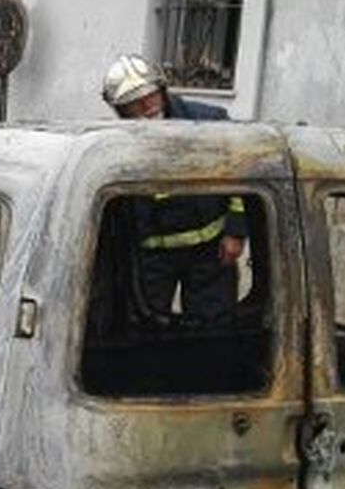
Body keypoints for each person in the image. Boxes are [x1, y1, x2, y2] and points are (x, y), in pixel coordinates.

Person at [102, 54, 246, 322]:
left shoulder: (208, 124)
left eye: (149, 96)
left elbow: (238, 175)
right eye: (133, 104)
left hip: (210, 252)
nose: (145, 106)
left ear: (162, 90)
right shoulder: (116, 142)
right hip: (152, 256)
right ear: (120, 111)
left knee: (211, 330)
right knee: (145, 330)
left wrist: (236, 232)